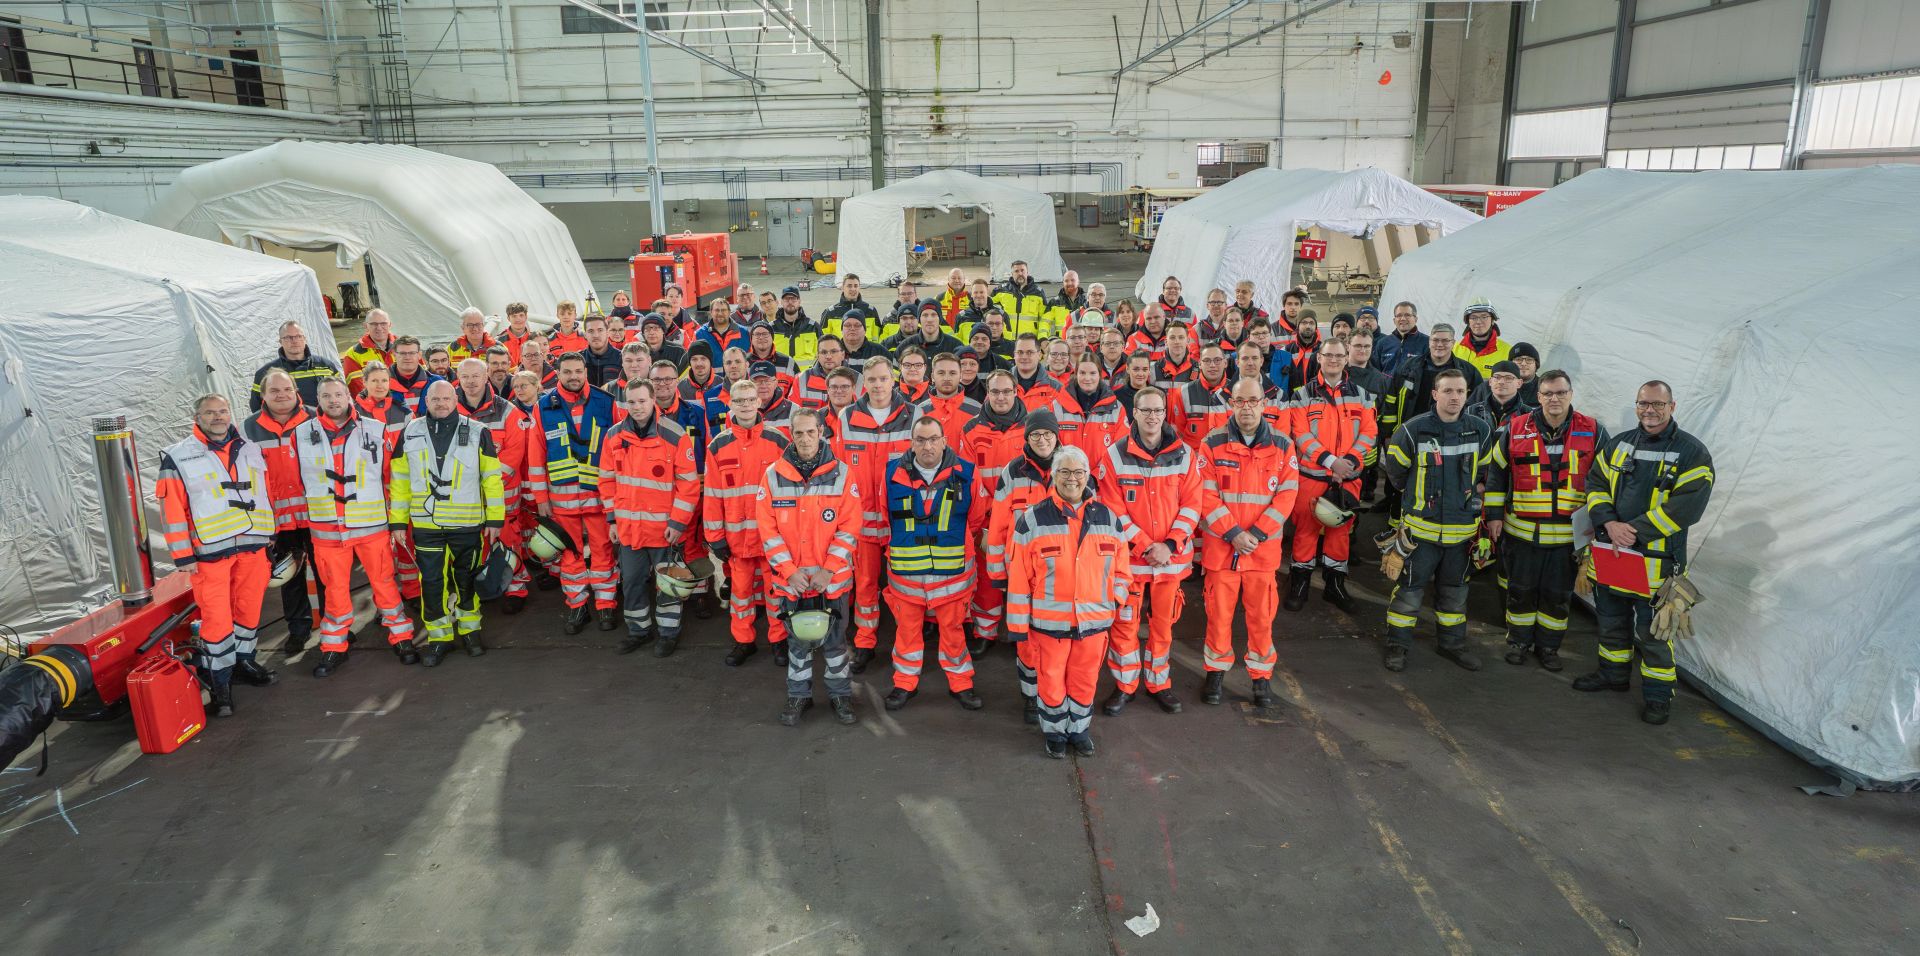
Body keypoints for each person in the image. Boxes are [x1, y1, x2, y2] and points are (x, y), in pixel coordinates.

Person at [1574, 381, 1715, 725]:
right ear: (1636, 405)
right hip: (1613, 554)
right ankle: (1613, 675)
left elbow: (1687, 507)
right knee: (1611, 622)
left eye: (1657, 404)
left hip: (1657, 566)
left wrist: (1632, 531)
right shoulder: (1619, 444)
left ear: (1672, 406)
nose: (1649, 410)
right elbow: (1595, 484)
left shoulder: (1692, 453)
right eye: (1643, 403)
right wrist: (1609, 522)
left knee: (1654, 635)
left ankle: (1658, 696)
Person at [1004, 444, 1132, 759]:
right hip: (1049, 625)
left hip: (1093, 624)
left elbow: (1122, 572)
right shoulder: (1032, 519)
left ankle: (1079, 730)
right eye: (1064, 471)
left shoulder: (1109, 518)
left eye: (1078, 472)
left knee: (1085, 681)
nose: (1071, 478)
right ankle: (1054, 733)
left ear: (1087, 475)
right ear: (1053, 475)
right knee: (1051, 682)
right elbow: (1018, 577)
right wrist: (1018, 627)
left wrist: (1113, 601)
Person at [156, 394, 277, 717]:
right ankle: (219, 682)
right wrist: (183, 555)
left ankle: (244, 662)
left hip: (253, 545)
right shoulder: (178, 457)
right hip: (209, 553)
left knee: (249, 609)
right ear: (197, 417)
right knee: (216, 619)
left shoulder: (250, 448)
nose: (218, 417)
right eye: (210, 413)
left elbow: (265, 492)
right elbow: (172, 509)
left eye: (222, 411)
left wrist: (271, 534)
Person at [1480, 370, 1603, 673]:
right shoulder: (1515, 428)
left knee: (1557, 597)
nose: (1554, 399)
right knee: (1520, 591)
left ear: (1571, 394)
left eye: (1561, 392)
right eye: (1548, 393)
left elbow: (1606, 481)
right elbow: (1496, 474)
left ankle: (1549, 647)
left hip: (1567, 539)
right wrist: (1493, 516)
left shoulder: (1594, 431)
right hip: (1522, 534)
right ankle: (1518, 643)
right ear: (1538, 396)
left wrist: (1598, 530)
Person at [296, 379, 419, 677]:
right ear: (318, 399)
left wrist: (397, 520)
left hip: (371, 527)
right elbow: (297, 481)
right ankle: (333, 646)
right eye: (326, 395)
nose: (333, 400)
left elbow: (393, 478)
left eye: (338, 394)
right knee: (335, 591)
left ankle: (401, 636)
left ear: (348, 396)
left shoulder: (375, 430)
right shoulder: (300, 434)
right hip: (326, 531)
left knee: (385, 584)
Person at [1380, 368, 1495, 673]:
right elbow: (1396, 474)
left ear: (1467, 395)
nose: (1454, 397)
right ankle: (1397, 645)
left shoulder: (1481, 430)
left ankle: (1452, 645)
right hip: (1420, 534)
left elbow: (1485, 473)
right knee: (1408, 591)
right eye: (1447, 391)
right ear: (1435, 394)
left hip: (1462, 535)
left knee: (1455, 593)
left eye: (1460, 391)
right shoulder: (1412, 431)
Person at [1195, 378, 1301, 708]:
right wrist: (1233, 534)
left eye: (1253, 401)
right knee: (1218, 616)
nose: (1246, 408)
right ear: (1231, 404)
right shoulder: (1211, 444)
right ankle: (1215, 671)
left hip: (1261, 551)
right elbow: (1205, 495)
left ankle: (1260, 676)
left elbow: (1287, 496)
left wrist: (1254, 535)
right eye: (1239, 401)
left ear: (1264, 404)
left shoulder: (1283, 446)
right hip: (1222, 550)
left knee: (1261, 618)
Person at [1095, 386, 1201, 716]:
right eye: (1146, 410)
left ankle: (1159, 683)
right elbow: (1112, 508)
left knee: (1163, 626)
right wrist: (1144, 545)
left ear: (1165, 414)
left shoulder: (1184, 454)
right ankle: (1125, 685)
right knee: (1124, 625)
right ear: (1135, 414)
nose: (1152, 416)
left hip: (1170, 560)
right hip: (1130, 562)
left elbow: (1193, 504)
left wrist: (1169, 545)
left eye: (1157, 410)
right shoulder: (1114, 455)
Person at [388, 381, 507, 666]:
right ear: (426, 401)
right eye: (435, 399)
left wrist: (495, 518)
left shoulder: (478, 431)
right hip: (426, 526)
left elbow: (492, 479)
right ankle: (439, 639)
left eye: (445, 398)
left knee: (466, 581)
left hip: (467, 524)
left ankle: (470, 632)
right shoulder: (410, 431)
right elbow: (400, 481)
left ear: (455, 399)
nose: (440, 403)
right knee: (431, 584)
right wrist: (398, 523)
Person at [758, 408, 864, 727]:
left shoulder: (842, 474)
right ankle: (799, 695)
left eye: (810, 432)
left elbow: (850, 527)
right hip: (792, 582)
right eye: (798, 433)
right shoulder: (773, 475)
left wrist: (828, 570)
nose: (805, 439)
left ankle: (840, 695)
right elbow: (768, 531)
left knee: (836, 643)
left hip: (831, 580)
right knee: (798, 643)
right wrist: (790, 572)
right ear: (791, 435)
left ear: (821, 433)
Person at [880, 418, 982, 712]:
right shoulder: (891, 473)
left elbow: (976, 518)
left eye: (933, 439)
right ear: (912, 443)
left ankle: (961, 683)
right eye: (921, 440)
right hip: (907, 577)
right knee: (906, 633)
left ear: (944, 441)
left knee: (953, 632)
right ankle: (904, 683)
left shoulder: (967, 473)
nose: (928, 446)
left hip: (952, 577)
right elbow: (886, 515)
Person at [600, 378, 702, 657]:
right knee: (631, 582)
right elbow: (606, 481)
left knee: (668, 584)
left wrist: (677, 523)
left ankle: (669, 634)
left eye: (642, 401)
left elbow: (689, 485)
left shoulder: (674, 435)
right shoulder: (613, 436)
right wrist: (612, 520)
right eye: (631, 402)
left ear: (653, 399)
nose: (637, 407)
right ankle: (639, 631)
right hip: (629, 529)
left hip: (664, 531)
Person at [534, 353, 626, 634]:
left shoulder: (606, 402)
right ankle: (577, 606)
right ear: (558, 373)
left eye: (577, 371)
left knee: (603, 551)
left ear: (585, 372)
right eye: (567, 372)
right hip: (561, 501)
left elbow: (619, 450)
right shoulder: (542, 406)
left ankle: (606, 605)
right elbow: (536, 455)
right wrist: (541, 499)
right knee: (570, 555)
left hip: (598, 498)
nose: (573, 376)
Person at [1284, 336, 1377, 615]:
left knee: (1340, 533)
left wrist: (1349, 462)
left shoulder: (1363, 395)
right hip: (1312, 476)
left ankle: (1334, 585)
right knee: (1305, 531)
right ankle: (1299, 584)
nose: (1334, 360)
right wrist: (1331, 462)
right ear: (1319, 358)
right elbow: (1300, 434)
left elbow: (1369, 432)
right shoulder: (1301, 395)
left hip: (1348, 477)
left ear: (1346, 358)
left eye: (1339, 355)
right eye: (1328, 355)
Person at [836, 358, 919, 666]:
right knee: (866, 585)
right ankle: (865, 641)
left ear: (893, 380)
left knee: (905, 587)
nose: (878, 385)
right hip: (861, 522)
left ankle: (907, 643)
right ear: (864, 383)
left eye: (883, 378)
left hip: (901, 520)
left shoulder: (914, 414)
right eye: (871, 379)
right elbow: (839, 469)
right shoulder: (847, 417)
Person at [704, 380, 793, 664]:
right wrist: (715, 537)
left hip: (772, 538)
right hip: (736, 539)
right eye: (739, 400)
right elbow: (712, 495)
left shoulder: (778, 440)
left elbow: (790, 492)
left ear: (759, 402)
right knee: (740, 594)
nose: (745, 405)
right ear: (730, 404)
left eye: (750, 399)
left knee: (775, 591)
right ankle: (744, 641)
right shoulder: (718, 445)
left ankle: (779, 640)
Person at [983, 410, 1060, 721]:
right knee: (1026, 639)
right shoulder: (1012, 471)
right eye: (1035, 435)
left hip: (1059, 572)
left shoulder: (1070, 467)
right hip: (1021, 573)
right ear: (1027, 438)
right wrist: (997, 573)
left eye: (1047, 434)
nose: (1042, 440)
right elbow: (998, 526)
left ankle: (1053, 695)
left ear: (1057, 436)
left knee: (1056, 641)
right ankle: (1030, 696)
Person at [243, 370, 319, 655]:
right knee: (290, 577)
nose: (282, 395)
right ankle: (298, 631)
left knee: (327, 574)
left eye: (287, 389)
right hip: (279, 520)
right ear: (263, 395)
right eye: (274, 391)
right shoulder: (248, 428)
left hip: (316, 514)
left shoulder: (315, 418)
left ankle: (337, 625)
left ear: (296, 391)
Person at [453, 358, 536, 614]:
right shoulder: (449, 408)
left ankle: (517, 587)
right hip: (465, 495)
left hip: (503, 492)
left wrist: (487, 483)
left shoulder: (507, 410)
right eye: (465, 377)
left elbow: (514, 452)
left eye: (476, 376)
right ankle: (484, 584)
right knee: (473, 543)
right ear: (458, 378)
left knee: (508, 539)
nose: (470, 382)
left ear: (486, 375)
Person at [958, 371, 1026, 653]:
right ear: (987, 394)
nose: (1001, 397)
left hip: (1025, 519)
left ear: (1016, 392)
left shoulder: (1032, 426)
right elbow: (969, 479)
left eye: (1006, 391)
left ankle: (1022, 634)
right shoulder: (971, 430)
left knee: (1024, 577)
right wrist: (990, 517)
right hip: (988, 520)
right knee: (988, 577)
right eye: (995, 392)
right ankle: (985, 632)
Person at [1381, 322, 1483, 443]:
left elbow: (1477, 406)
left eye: (1445, 341)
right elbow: (1391, 400)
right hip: (1411, 434)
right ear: (1429, 342)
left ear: (1453, 343)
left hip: (1452, 437)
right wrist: (1389, 433)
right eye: (1435, 340)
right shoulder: (1408, 367)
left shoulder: (1468, 373)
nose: (1439, 344)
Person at [1051, 355, 1127, 464]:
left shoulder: (1116, 408)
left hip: (1103, 473)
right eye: (1082, 373)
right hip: (1066, 472)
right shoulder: (1057, 406)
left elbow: (1121, 447)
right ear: (1076, 374)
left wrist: (1098, 473)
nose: (1087, 378)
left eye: (1092, 373)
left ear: (1100, 375)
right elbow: (1051, 446)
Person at [251, 321, 340, 410]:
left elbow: (340, 395)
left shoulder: (326, 366)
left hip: (322, 418)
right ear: (280, 341)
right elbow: (257, 408)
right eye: (288, 337)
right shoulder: (265, 373)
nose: (294, 341)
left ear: (304, 339)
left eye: (298, 336)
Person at [1168, 342, 1231, 448]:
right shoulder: (1183, 393)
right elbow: (1178, 432)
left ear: (1225, 363)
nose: (1212, 365)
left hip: (1227, 455)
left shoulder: (1238, 392)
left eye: (1217, 360)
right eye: (1207, 360)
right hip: (1194, 455)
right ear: (1200, 364)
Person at [916, 352, 982, 447]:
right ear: (932, 377)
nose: (947, 378)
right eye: (941, 373)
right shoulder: (919, 412)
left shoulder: (977, 411)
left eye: (952, 373)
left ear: (960, 376)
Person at [1465, 360, 1534, 435]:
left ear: (1519, 383)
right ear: (1490, 381)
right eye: (1497, 377)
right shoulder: (1471, 412)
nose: (1501, 382)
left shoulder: (1529, 414)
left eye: (1508, 378)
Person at [342, 309, 396, 395]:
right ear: (365, 326)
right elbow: (357, 388)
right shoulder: (353, 354)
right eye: (374, 324)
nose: (379, 328)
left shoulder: (405, 348)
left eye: (383, 323)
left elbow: (417, 376)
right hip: (371, 402)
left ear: (390, 324)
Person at [1453, 299, 1512, 378]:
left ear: (1492, 320)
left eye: (1484, 317)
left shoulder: (1508, 351)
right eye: (1473, 317)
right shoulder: (1454, 350)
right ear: (1468, 322)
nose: (1478, 322)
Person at [993, 259, 1051, 337]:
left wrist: (1042, 338)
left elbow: (1044, 319)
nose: (1020, 273)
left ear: (1027, 272)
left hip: (1029, 340)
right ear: (1012, 274)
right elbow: (989, 311)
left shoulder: (1038, 292)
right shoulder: (1000, 290)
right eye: (1016, 271)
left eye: (1022, 270)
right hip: (1006, 339)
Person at [890, 300, 965, 357]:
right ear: (919, 319)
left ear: (940, 319)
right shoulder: (905, 346)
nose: (929, 320)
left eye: (933, 315)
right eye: (925, 315)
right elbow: (895, 371)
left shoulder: (955, 346)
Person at [821, 273, 879, 340]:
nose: (853, 289)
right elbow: (823, 340)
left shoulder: (870, 311)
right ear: (842, 288)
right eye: (849, 286)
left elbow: (877, 339)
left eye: (856, 286)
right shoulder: (830, 313)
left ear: (859, 288)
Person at [770, 286, 819, 364]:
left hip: (806, 372)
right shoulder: (771, 328)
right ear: (781, 302)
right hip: (780, 372)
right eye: (786, 299)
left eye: (793, 299)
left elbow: (823, 353)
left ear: (799, 302)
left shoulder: (813, 327)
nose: (790, 302)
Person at [1010, 333, 1059, 411]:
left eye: (1029, 352)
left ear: (1039, 355)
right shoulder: (1000, 384)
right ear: (1014, 355)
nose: (1024, 357)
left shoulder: (1056, 388)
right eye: (1020, 352)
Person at [1375, 301, 1426, 374]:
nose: (1403, 319)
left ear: (1416, 319)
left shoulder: (1426, 342)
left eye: (1407, 315)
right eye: (1399, 315)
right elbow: (1375, 372)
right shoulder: (1382, 343)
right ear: (1394, 320)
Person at [795, 335, 846, 407]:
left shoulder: (857, 380)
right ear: (817, 356)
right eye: (824, 352)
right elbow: (793, 412)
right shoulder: (801, 379)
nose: (828, 357)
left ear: (843, 355)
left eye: (833, 351)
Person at [579, 314, 624, 387]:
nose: (596, 335)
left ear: (607, 333)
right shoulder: (579, 359)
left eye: (600, 330)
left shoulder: (621, 358)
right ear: (585, 335)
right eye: (591, 331)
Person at [1154, 322, 1196, 387]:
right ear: (1166, 342)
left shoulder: (1198, 369)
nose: (1177, 342)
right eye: (1172, 338)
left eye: (1181, 337)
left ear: (1188, 341)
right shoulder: (1153, 369)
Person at [1508, 342, 1542, 406]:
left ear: (1536, 365)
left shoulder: (1546, 388)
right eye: (1518, 359)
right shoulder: (1498, 386)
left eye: (1529, 360)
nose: (1523, 364)